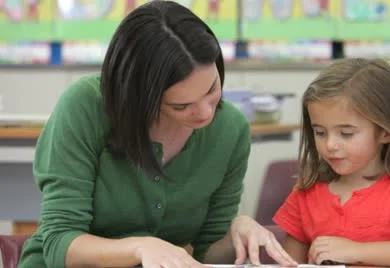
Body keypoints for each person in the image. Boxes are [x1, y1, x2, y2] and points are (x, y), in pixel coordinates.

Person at [18, 1, 297, 268]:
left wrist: (237, 232)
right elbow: (59, 243)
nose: (205, 114)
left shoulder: (230, 129)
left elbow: (206, 249)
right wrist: (141, 247)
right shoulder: (85, 106)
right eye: (181, 105)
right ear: (139, 97)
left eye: (212, 90)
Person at [273, 58, 390, 267]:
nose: (330, 144)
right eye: (320, 132)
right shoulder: (307, 190)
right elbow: (289, 264)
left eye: (346, 133)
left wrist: (355, 251)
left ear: (385, 132)